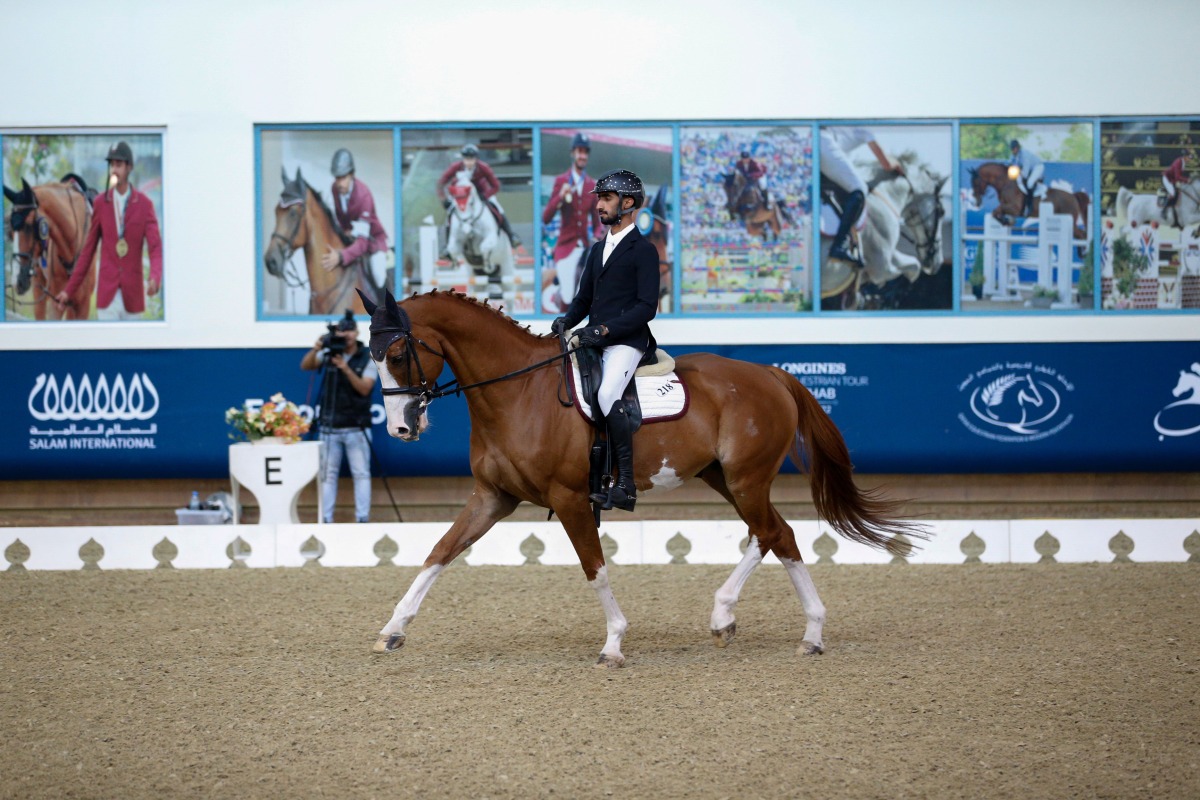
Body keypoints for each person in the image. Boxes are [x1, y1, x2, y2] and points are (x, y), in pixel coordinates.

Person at [551, 170, 658, 513]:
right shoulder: (597, 250)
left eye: (605, 198)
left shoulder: (644, 250)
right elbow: (583, 299)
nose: (598, 205)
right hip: (594, 338)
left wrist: (604, 330)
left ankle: (625, 483)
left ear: (627, 204)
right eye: (598, 199)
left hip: (626, 341)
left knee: (607, 393)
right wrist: (566, 320)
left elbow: (646, 307)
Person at [55, 141, 162, 319]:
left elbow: (155, 248)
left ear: (129, 167)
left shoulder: (145, 205)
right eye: (112, 164)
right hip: (107, 299)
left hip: (134, 300)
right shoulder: (100, 204)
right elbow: (87, 252)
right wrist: (68, 291)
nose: (114, 169)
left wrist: (155, 278)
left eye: (119, 165)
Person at [300, 311, 378, 523]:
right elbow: (306, 365)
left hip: (356, 426)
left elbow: (365, 388)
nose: (347, 335)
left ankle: (362, 518)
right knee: (328, 475)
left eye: (350, 330)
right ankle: (326, 519)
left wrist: (345, 368)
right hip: (329, 425)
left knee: (361, 474)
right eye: (342, 331)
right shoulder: (329, 352)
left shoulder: (367, 356)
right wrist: (317, 348)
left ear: (356, 332)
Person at [819, 127, 905, 266]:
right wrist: (897, 163)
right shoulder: (867, 128)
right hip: (823, 143)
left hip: (809, 140)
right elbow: (887, 165)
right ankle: (839, 246)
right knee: (860, 189)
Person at [542, 132, 604, 309]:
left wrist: (597, 236)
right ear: (573, 153)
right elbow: (546, 218)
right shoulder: (561, 181)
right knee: (569, 293)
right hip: (565, 247)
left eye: (585, 152)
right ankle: (559, 307)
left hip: (585, 248)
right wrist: (560, 197)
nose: (582, 155)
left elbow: (597, 219)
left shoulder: (592, 185)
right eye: (579, 151)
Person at [325, 148, 391, 296]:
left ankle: (386, 310)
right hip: (352, 237)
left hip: (372, 241)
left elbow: (363, 243)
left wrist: (341, 256)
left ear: (352, 175)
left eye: (343, 177)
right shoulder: (334, 189)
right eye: (337, 178)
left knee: (378, 275)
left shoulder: (364, 195)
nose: (339, 182)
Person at [437, 143, 522, 248]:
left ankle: (511, 236)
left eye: (471, 159)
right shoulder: (456, 167)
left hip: (482, 193)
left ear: (476, 159)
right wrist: (444, 199)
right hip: (462, 197)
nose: (469, 162)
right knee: (450, 215)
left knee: (498, 208)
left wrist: (485, 196)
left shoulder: (483, 167)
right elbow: (441, 183)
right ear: (463, 159)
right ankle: (447, 246)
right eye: (466, 159)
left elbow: (496, 186)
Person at [1009, 139, 1045, 217]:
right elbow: (1010, 165)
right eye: (1012, 149)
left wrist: (1017, 173)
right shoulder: (1013, 156)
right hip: (1028, 170)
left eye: (1015, 148)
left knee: (1029, 184)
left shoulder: (1025, 155)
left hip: (1037, 167)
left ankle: (1030, 207)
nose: (1013, 150)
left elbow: (1025, 173)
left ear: (1018, 148)